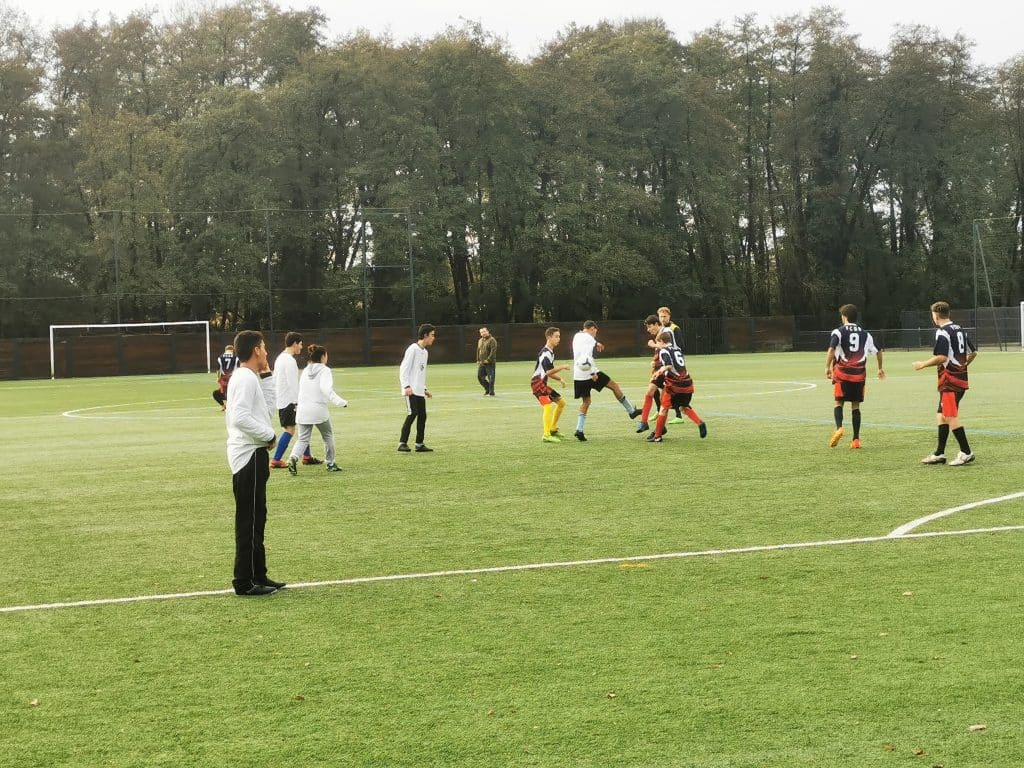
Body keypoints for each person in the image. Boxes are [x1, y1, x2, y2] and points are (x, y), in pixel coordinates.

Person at [224, 330, 284, 596]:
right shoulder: (245, 378)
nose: (267, 351)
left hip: (254, 455)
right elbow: (239, 417)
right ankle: (244, 582)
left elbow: (266, 411)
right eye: (265, 347)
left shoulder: (250, 377)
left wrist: (268, 375)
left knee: (258, 518)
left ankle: (259, 574)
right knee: (249, 520)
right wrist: (269, 436)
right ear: (256, 349)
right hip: (249, 456)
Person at [913, 301, 978, 466]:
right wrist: (962, 366)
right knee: (941, 415)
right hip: (960, 379)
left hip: (950, 381)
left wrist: (922, 364)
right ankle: (939, 453)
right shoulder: (959, 329)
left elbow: (941, 357)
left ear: (935, 316)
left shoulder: (942, 332)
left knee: (949, 415)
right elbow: (973, 352)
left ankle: (966, 452)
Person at [825, 304, 885, 449]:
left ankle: (839, 427)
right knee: (855, 405)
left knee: (839, 403)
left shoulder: (838, 332)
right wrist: (880, 368)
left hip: (842, 373)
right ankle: (856, 439)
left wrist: (827, 367)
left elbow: (832, 349)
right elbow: (878, 351)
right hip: (859, 375)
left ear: (844, 317)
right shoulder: (866, 334)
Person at [571, 320, 641, 441]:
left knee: (586, 401)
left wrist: (596, 343)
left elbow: (584, 348)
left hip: (578, 374)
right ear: (592, 329)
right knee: (614, 386)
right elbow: (586, 355)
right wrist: (592, 372)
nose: (595, 334)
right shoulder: (588, 338)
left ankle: (579, 429)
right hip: (591, 372)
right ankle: (631, 411)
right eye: (595, 332)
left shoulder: (577, 336)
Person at [287, 344, 347, 475]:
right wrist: (340, 402)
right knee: (328, 436)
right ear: (323, 356)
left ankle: (293, 458)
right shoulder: (325, 370)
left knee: (303, 439)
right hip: (318, 410)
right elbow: (326, 389)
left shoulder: (305, 371)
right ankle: (330, 463)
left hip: (303, 410)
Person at [645, 330, 707, 443]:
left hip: (674, 385)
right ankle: (700, 422)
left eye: (658, 342)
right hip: (688, 383)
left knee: (663, 408)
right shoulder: (677, 349)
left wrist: (659, 371)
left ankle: (657, 436)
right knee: (683, 407)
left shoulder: (663, 351)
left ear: (662, 341)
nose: (657, 345)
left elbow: (668, 365)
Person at [270, 332, 317, 469]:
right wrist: (298, 401)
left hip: (283, 399)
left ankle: (307, 457)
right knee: (291, 430)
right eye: (301, 344)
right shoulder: (289, 360)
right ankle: (276, 460)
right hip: (290, 401)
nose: (301, 347)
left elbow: (275, 380)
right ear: (295, 343)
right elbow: (292, 383)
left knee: (303, 426)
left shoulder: (280, 358)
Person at [398, 324, 436, 453]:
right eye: (432, 335)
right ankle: (402, 443)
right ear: (425, 335)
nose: (433, 338)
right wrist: (406, 386)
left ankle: (419, 444)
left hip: (419, 391)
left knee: (422, 416)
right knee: (412, 413)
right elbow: (404, 368)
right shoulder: (413, 349)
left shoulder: (425, 352)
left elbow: (420, 373)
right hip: (411, 390)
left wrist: (425, 389)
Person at [530, 327, 569, 443]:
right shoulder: (545, 353)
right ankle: (546, 435)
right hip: (537, 383)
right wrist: (562, 367)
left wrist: (560, 379)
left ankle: (552, 429)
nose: (559, 339)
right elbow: (548, 372)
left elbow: (549, 372)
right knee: (548, 406)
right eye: (556, 336)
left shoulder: (550, 353)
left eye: (559, 336)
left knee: (561, 402)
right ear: (549, 337)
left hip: (542, 383)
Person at [655, 306, 686, 423]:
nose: (663, 319)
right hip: (665, 361)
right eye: (661, 316)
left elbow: (681, 346)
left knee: (670, 388)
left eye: (665, 316)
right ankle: (661, 410)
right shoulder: (661, 328)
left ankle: (678, 414)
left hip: (673, 363)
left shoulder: (675, 329)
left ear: (669, 316)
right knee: (662, 386)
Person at [636, 315, 665, 434]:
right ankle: (644, 422)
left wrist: (652, 344)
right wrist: (655, 360)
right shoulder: (659, 335)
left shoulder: (665, 333)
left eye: (649, 327)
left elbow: (666, 347)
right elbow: (661, 351)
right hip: (659, 369)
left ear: (656, 324)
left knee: (667, 404)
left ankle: (660, 429)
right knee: (650, 392)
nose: (648, 330)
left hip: (667, 370)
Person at [212, 344, 239, 411]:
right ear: (233, 350)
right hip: (233, 378)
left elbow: (218, 370)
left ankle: (224, 406)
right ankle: (229, 406)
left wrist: (218, 378)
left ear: (225, 350)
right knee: (233, 392)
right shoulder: (236, 358)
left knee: (218, 393)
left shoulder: (220, 358)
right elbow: (238, 369)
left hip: (224, 378)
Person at [476, 326, 498, 396]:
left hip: (490, 363)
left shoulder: (492, 340)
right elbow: (478, 350)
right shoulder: (480, 340)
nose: (483, 333)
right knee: (480, 377)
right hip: (482, 363)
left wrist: (488, 360)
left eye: (484, 331)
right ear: (480, 334)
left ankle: (491, 392)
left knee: (491, 378)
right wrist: (478, 360)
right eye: (482, 332)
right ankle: (487, 389)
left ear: (488, 332)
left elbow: (493, 351)